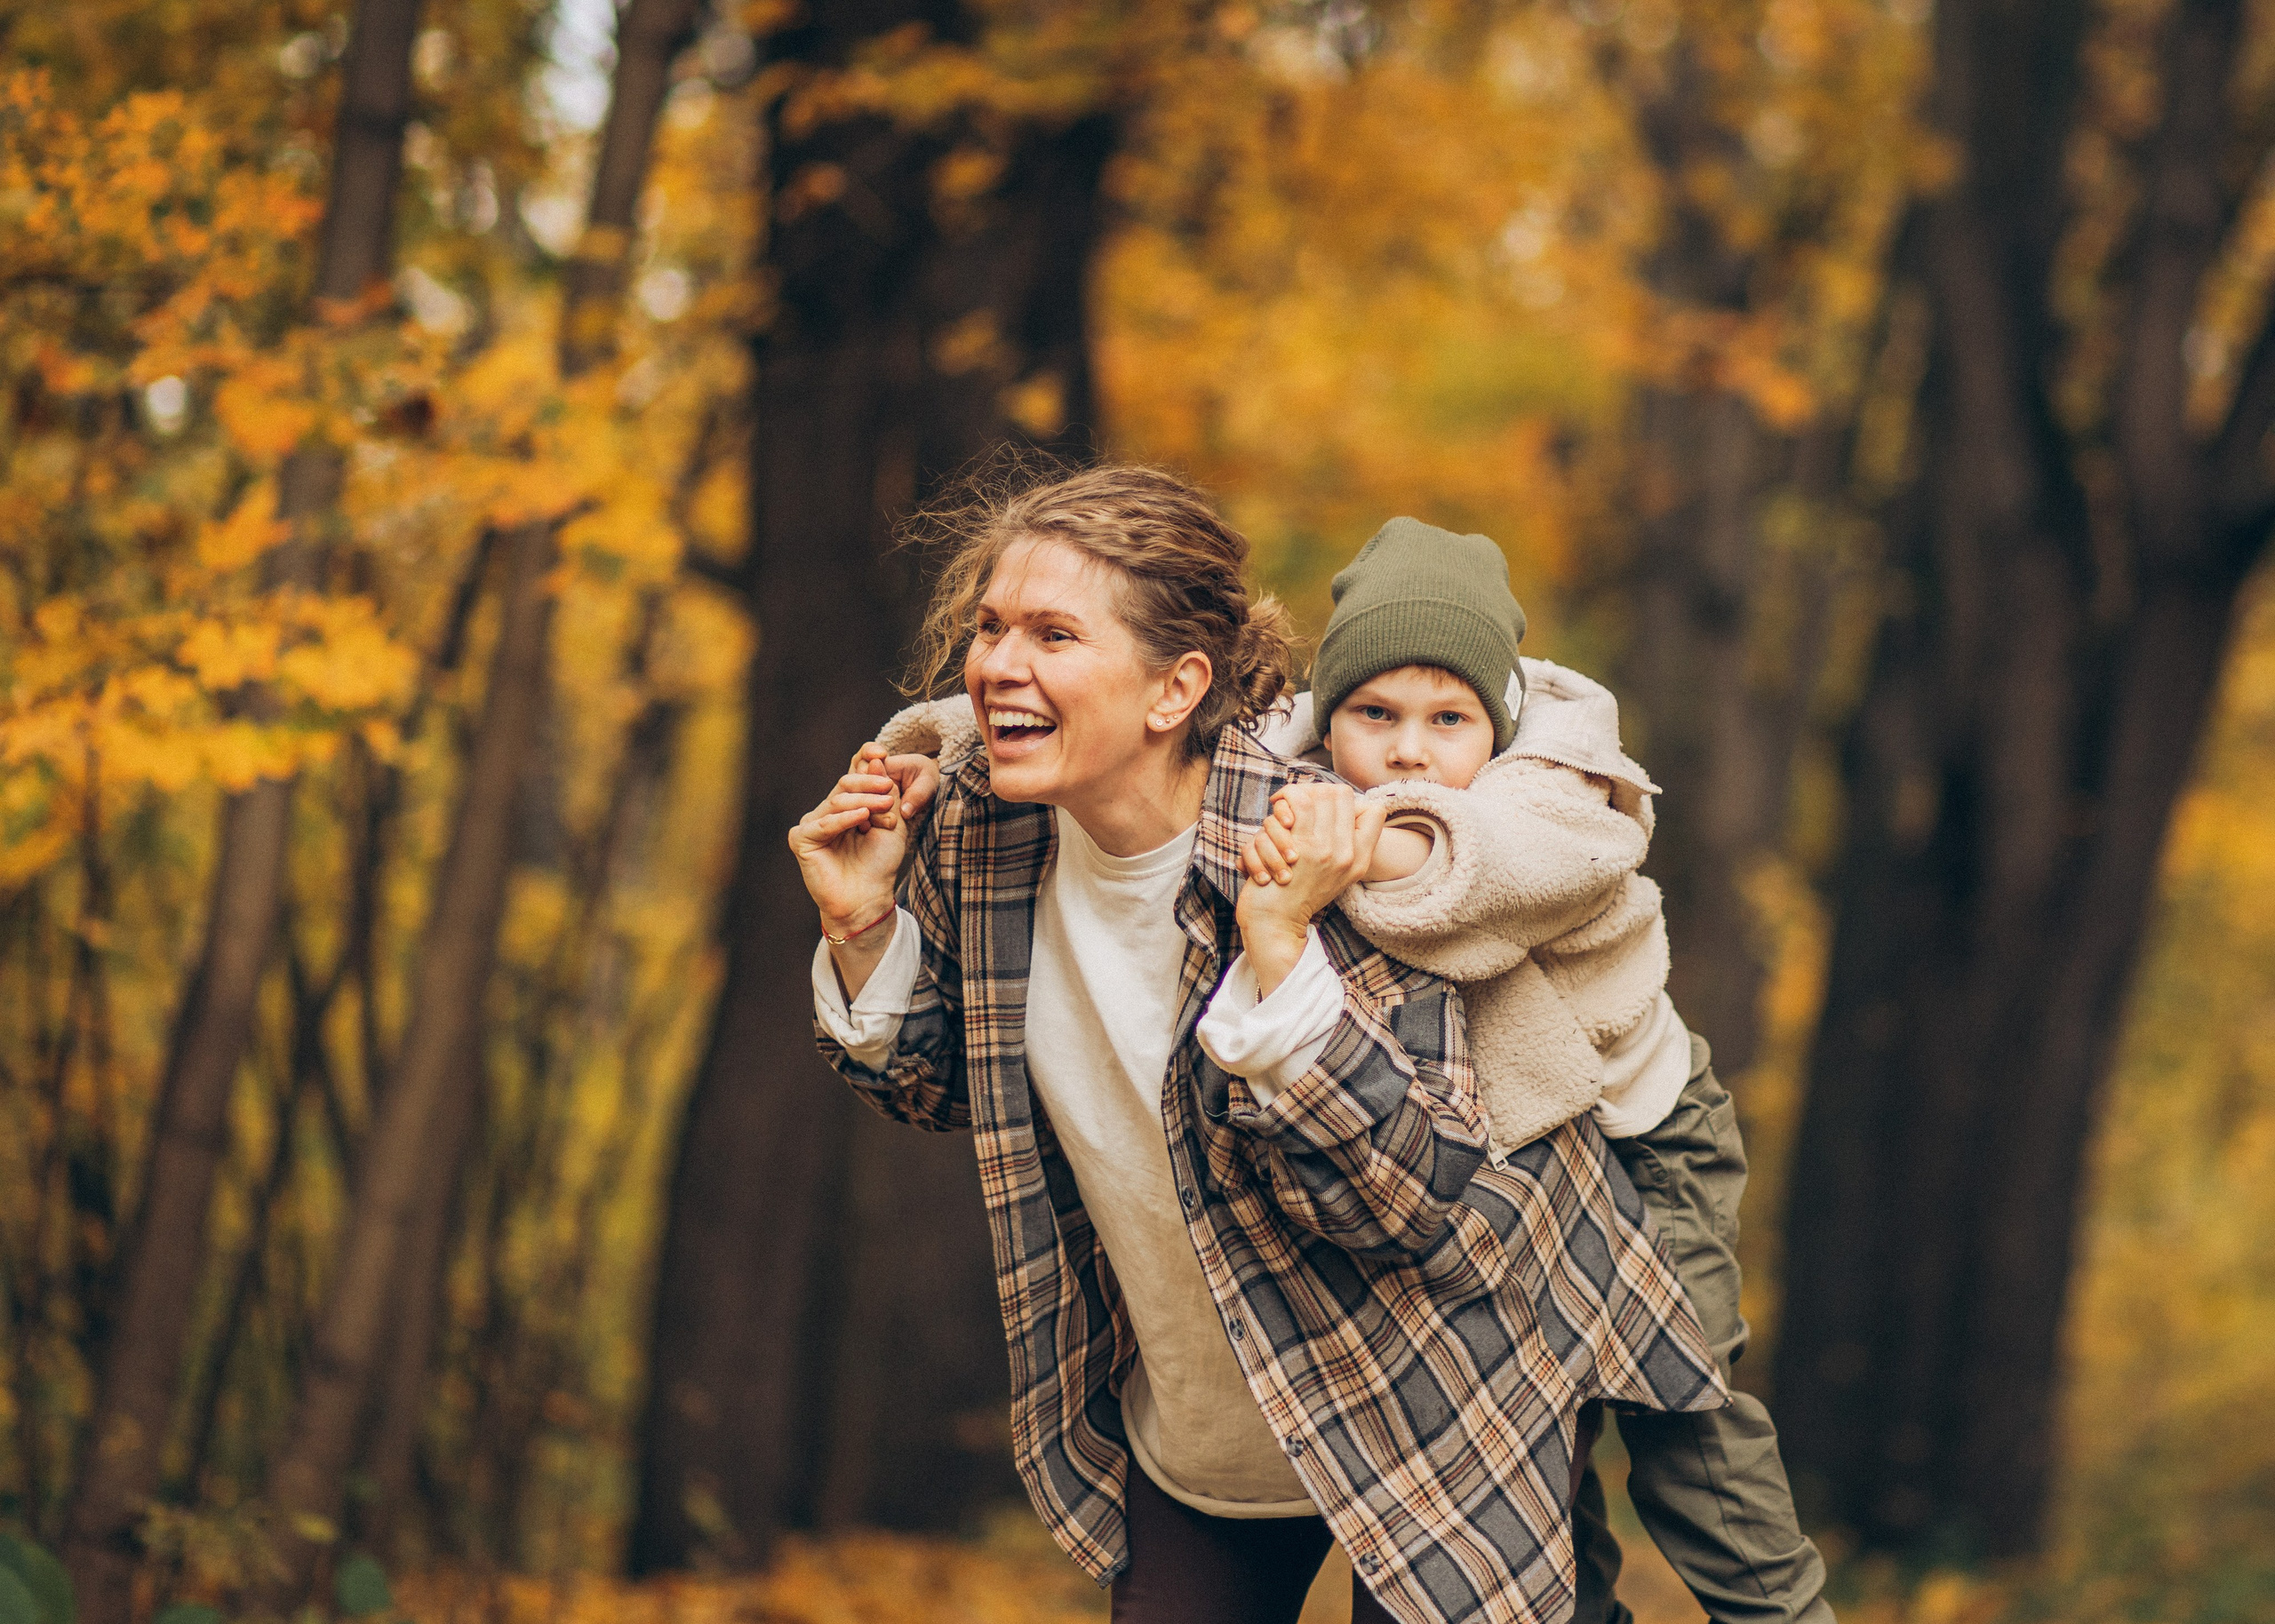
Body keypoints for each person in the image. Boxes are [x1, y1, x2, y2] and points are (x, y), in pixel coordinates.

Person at [791, 466, 1722, 1624]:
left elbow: (1410, 1203)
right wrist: (862, 923)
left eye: (1053, 633)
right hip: (1209, 1431)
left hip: (1439, 1403)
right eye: (989, 627)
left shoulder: (1332, 841)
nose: (996, 665)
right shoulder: (991, 839)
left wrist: (1279, 954)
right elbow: (958, 1087)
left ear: (1175, 687)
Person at [1243, 517, 1833, 1624]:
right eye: (1375, 715)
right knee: (1521, 1443)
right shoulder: (1291, 774)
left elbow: (1476, 872)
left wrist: (1342, 840)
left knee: (1680, 1416)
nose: (1410, 749)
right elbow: (1139, 730)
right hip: (1502, 1166)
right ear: (1328, 721)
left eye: (1446, 719)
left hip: (1640, 1136)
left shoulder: (1560, 791)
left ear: (1497, 724)